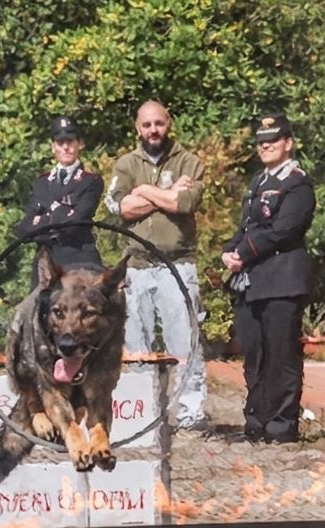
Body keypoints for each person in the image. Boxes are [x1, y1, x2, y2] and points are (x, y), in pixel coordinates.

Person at [105, 100, 208, 429]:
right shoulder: (125, 163)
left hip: (177, 267)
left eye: (159, 123)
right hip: (137, 266)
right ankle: (144, 414)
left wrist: (145, 192)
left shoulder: (188, 161)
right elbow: (119, 208)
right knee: (137, 347)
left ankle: (191, 415)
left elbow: (185, 202)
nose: (153, 130)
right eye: (147, 125)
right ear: (138, 128)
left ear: (169, 124)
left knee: (184, 342)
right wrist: (164, 193)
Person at [222, 113, 317, 443]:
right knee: (255, 354)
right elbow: (247, 226)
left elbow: (283, 230)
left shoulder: (297, 183)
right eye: (261, 143)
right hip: (253, 282)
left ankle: (280, 424)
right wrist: (229, 250)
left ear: (288, 143)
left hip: (282, 280)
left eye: (272, 141)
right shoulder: (258, 182)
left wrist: (243, 253)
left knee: (281, 355)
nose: (265, 147)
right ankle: (256, 421)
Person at [15, 116, 103, 272]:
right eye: (60, 142)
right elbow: (24, 229)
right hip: (46, 264)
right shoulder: (41, 183)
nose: (65, 147)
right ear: (53, 147)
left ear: (80, 144)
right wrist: (63, 213)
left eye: (70, 141)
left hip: (80, 261)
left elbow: (75, 224)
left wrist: (46, 216)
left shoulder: (91, 181)